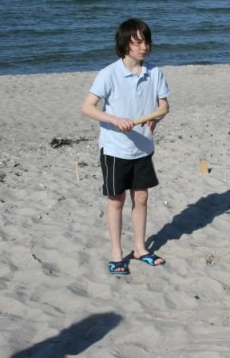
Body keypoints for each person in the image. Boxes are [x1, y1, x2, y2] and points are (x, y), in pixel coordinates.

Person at [82, 18, 170, 275]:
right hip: (115, 149)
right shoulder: (108, 73)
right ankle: (117, 254)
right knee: (117, 201)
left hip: (143, 147)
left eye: (146, 42)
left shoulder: (154, 72)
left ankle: (141, 249)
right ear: (124, 44)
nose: (144, 47)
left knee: (141, 198)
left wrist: (156, 119)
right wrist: (114, 120)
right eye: (138, 42)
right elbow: (87, 107)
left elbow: (164, 106)